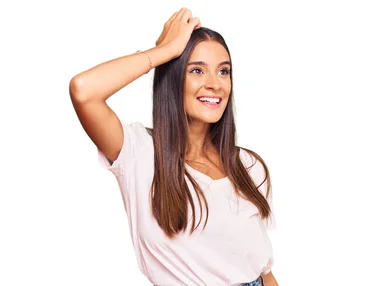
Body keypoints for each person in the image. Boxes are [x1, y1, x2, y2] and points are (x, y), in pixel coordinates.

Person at [69, 7, 278, 286]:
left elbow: (262, 271)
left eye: (223, 71)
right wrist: (164, 51)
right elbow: (83, 90)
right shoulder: (139, 153)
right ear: (174, 77)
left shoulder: (248, 166)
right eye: (196, 70)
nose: (214, 84)